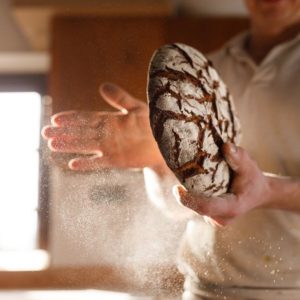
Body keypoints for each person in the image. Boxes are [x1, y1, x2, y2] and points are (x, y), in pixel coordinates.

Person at [42, 0, 300, 299]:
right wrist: (160, 161)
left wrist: (269, 191)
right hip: (203, 289)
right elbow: (182, 207)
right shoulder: (201, 72)